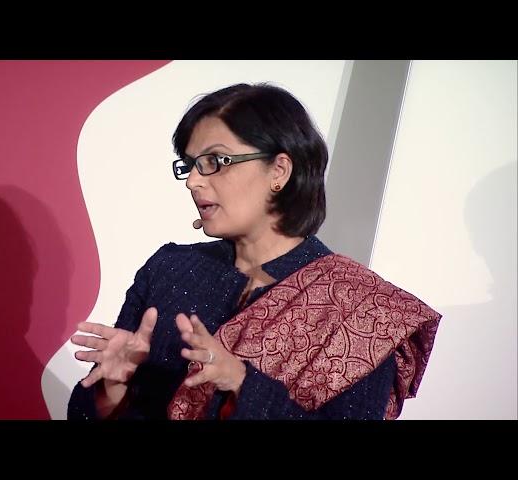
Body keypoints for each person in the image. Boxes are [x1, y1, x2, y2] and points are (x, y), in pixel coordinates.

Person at [67, 83, 441, 420]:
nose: (194, 181)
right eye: (191, 165)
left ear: (279, 170)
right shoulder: (170, 269)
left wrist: (243, 384)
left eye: (215, 161)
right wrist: (111, 389)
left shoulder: (364, 308)